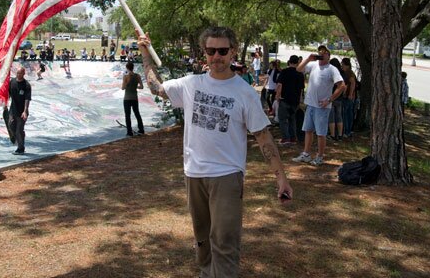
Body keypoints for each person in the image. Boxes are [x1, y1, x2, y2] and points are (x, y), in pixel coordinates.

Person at [137, 26, 292, 278]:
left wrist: (281, 178)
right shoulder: (191, 84)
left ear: (232, 52)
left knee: (225, 240)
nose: (216, 56)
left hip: (227, 176)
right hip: (194, 174)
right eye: (211, 50)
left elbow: (263, 137)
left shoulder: (244, 93)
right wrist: (144, 52)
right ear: (204, 52)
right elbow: (156, 88)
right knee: (203, 239)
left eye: (222, 50)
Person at [292, 45, 345, 166]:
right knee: (308, 130)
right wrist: (309, 59)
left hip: (322, 107)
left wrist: (329, 100)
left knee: (321, 133)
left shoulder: (332, 69)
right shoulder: (313, 65)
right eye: (320, 52)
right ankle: (306, 154)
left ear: (328, 56)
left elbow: (342, 86)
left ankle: (320, 156)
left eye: (324, 53)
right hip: (310, 104)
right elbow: (298, 69)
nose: (321, 54)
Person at [275, 55, 305, 145]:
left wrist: (277, 95)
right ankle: (293, 138)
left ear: (289, 61)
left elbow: (280, 85)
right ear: (297, 63)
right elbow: (301, 89)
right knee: (292, 119)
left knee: (283, 119)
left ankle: (286, 138)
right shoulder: (300, 74)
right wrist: (300, 100)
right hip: (295, 100)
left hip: (284, 99)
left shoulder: (284, 72)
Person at [9, 67, 31, 155]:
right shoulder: (12, 82)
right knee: (11, 126)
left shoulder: (26, 85)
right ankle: (19, 138)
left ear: (23, 74)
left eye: (20, 73)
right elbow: (8, 93)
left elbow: (27, 99)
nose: (18, 75)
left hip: (22, 111)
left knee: (19, 130)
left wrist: (25, 111)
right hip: (12, 110)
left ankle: (21, 148)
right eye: (17, 73)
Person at [121, 61, 145, 136]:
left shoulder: (125, 76)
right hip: (135, 98)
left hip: (127, 98)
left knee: (127, 115)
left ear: (127, 68)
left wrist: (126, 82)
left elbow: (123, 88)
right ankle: (141, 129)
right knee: (137, 113)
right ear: (133, 68)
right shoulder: (137, 76)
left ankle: (129, 132)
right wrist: (135, 86)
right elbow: (141, 87)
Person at [327, 58, 347, 141]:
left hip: (331, 97)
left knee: (331, 116)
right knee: (339, 116)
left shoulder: (331, 73)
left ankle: (332, 135)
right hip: (339, 97)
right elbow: (344, 86)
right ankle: (340, 135)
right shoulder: (343, 74)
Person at [340, 58, 357, 138]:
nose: (341, 66)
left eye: (342, 64)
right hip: (349, 96)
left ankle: (347, 131)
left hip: (348, 97)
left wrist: (350, 94)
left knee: (347, 114)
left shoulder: (349, 73)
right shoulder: (348, 72)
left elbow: (352, 83)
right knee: (349, 114)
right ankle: (348, 130)